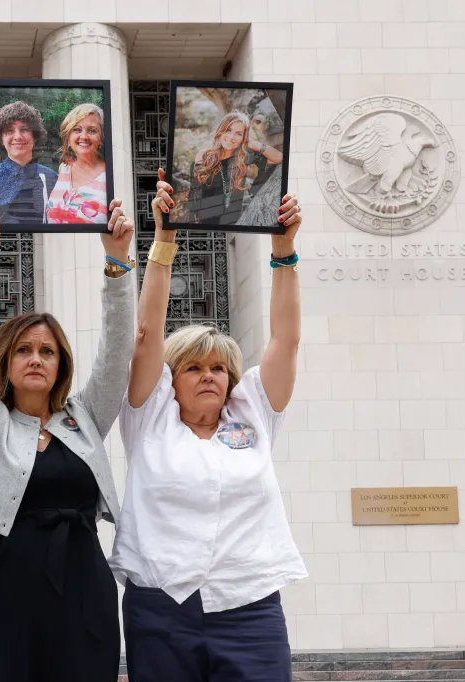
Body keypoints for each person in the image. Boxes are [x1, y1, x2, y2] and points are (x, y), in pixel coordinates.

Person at [111, 168, 306, 682]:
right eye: (193, 367)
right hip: (161, 610)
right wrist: (164, 240)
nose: (208, 376)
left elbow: (284, 342)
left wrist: (284, 253)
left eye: (218, 367)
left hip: (249, 608)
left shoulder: (254, 412)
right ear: (170, 381)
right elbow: (148, 333)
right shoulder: (149, 418)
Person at [0, 192, 135, 681]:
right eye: (24, 350)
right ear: (7, 363)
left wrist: (117, 263)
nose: (36, 359)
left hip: (81, 589)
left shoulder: (86, 419)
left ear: (61, 365)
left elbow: (118, 353)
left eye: (48, 351)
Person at [186, 111, 284, 225]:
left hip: (234, 223)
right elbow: (193, 193)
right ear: (221, 131)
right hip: (205, 223)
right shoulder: (204, 156)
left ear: (244, 138)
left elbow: (278, 157)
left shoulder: (244, 157)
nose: (231, 137)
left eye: (238, 133)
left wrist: (253, 144)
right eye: (228, 130)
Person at [0, 100, 58, 223]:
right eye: (10, 130)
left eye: (24, 129)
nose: (18, 136)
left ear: (35, 135)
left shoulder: (51, 177)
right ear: (1, 138)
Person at [45, 103, 109, 225]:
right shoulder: (64, 169)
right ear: (68, 138)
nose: (84, 136)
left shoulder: (110, 174)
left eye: (92, 130)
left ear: (101, 138)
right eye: (77, 130)